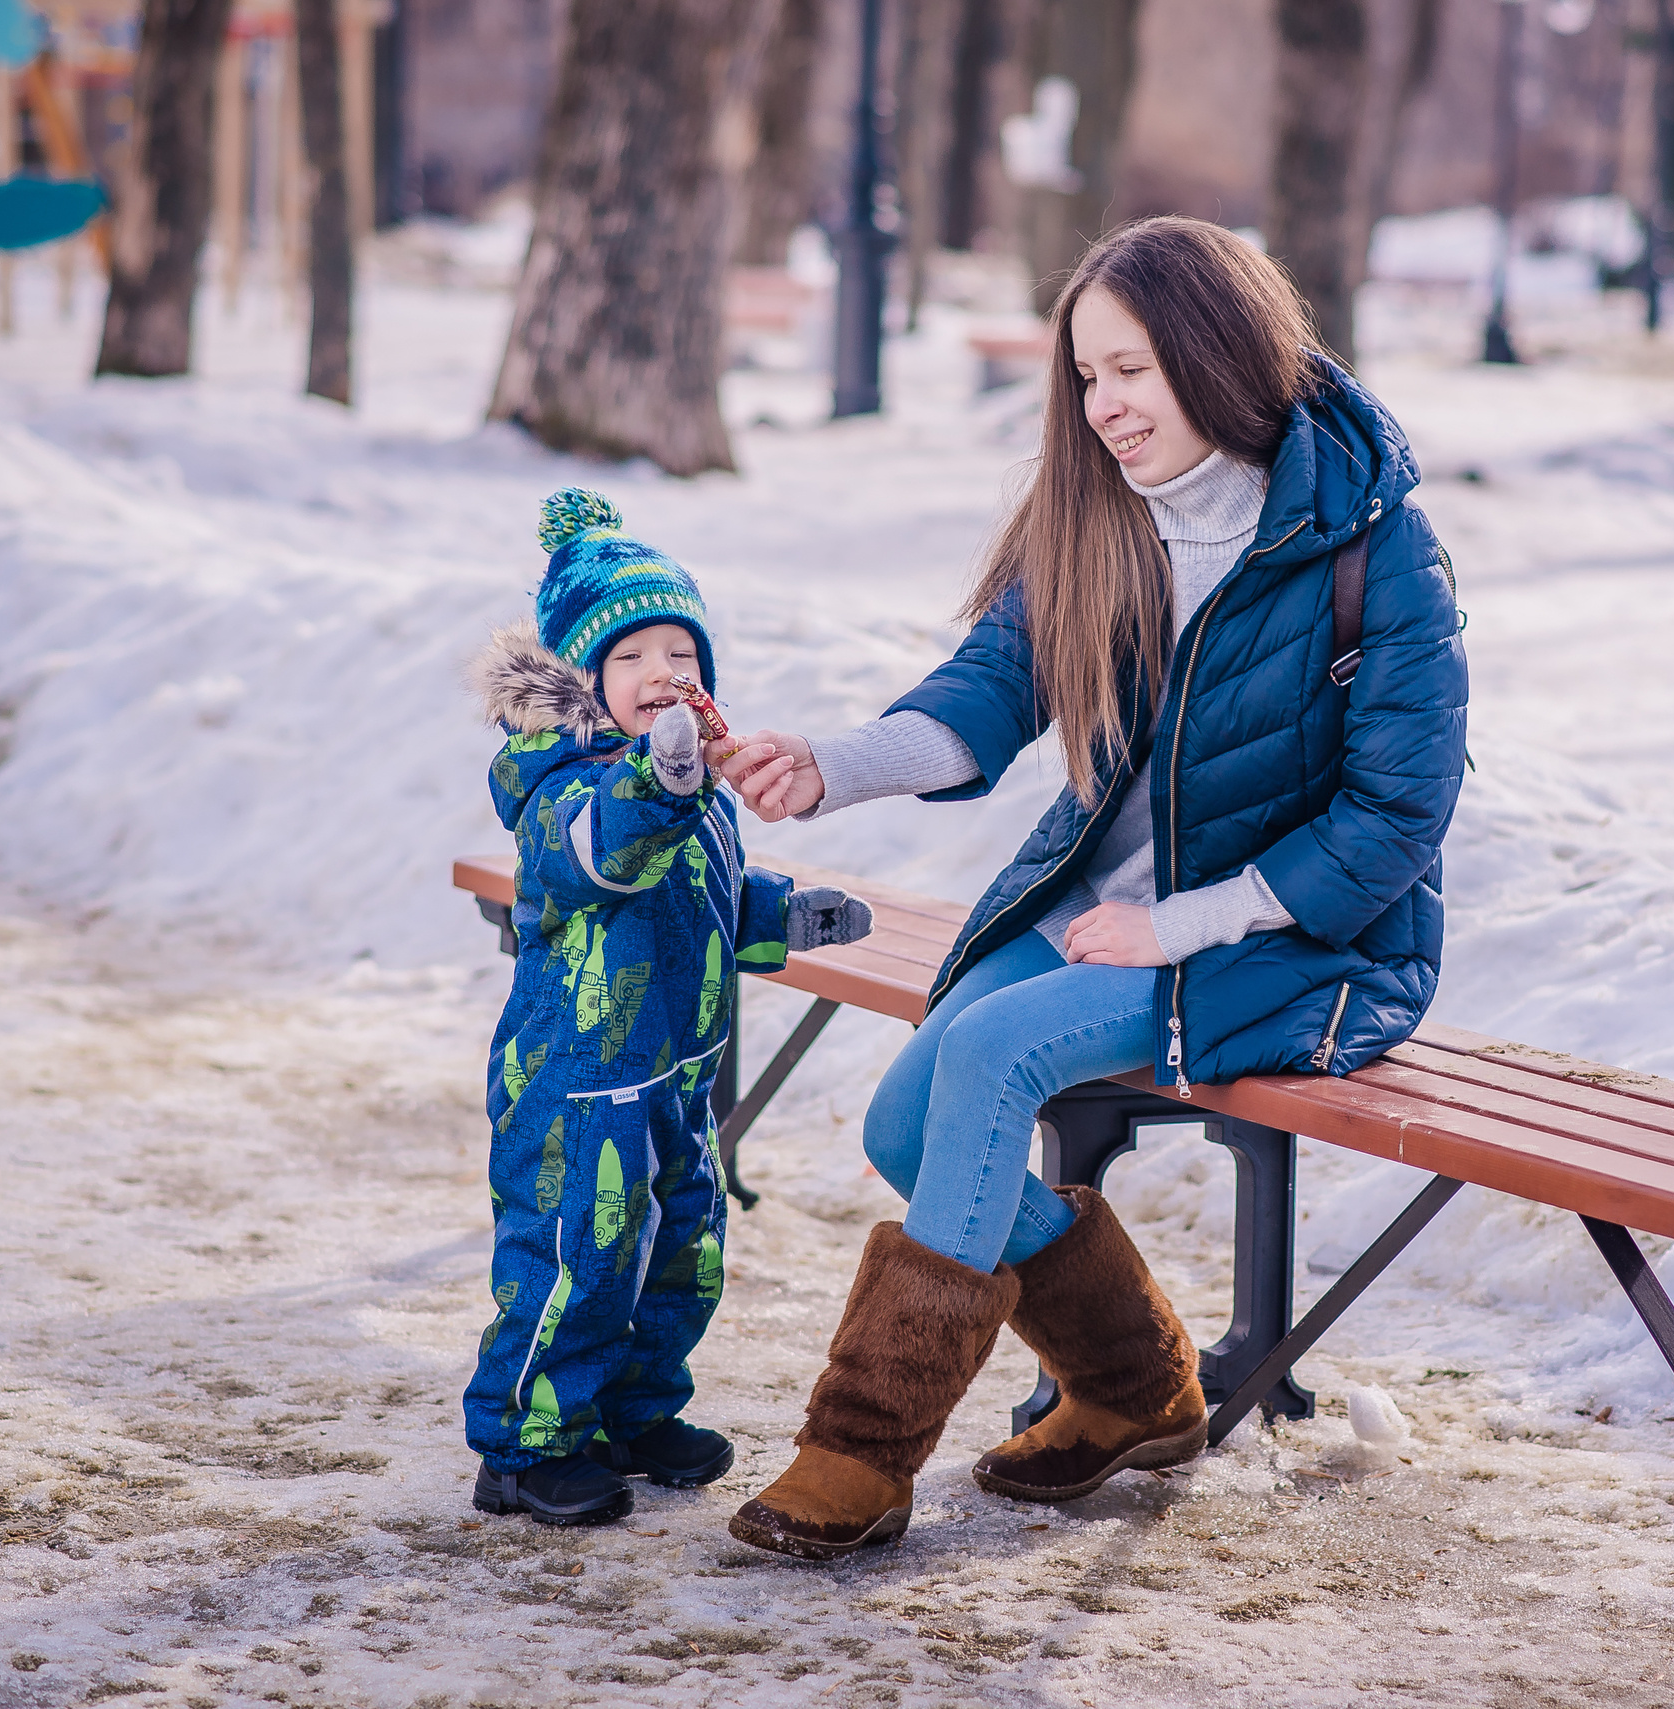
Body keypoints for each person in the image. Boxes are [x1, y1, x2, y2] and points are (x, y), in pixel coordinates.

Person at [713, 217, 1471, 1561]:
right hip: (1100, 912)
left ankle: (863, 1450)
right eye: (1084, 377)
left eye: (1131, 371)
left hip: (1298, 942)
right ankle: (1137, 1387)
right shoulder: (1098, 514)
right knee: (904, 1123)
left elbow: (1395, 818)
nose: (1102, 406)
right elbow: (989, 691)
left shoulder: (1374, 543)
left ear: (1215, 351)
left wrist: (1179, 924)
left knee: (991, 1054)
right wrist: (831, 766)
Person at [464, 487, 875, 1527]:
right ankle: (527, 1444)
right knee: (579, 1258)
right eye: (633, 655)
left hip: (676, 1074)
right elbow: (612, 856)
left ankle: (632, 1412)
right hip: (580, 1084)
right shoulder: (562, 793)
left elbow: (704, 894)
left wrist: (788, 914)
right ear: (582, 682)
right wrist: (662, 781)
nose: (664, 671)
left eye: (681, 652)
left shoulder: (692, 786)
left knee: (679, 1253)